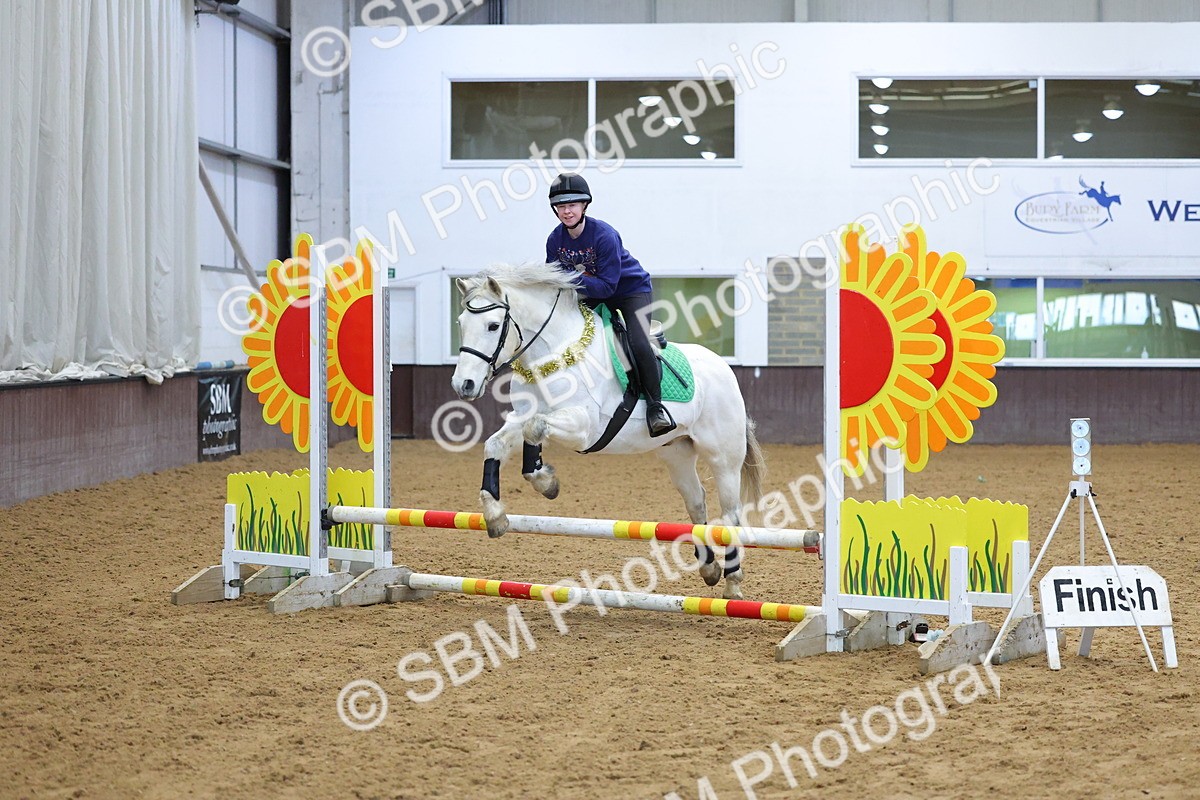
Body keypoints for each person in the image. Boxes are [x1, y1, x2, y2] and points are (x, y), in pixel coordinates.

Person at [545, 173, 675, 436]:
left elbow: (607, 286)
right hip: (591, 293)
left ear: (584, 206)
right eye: (561, 206)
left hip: (629, 291)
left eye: (572, 205)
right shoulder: (554, 240)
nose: (566, 211)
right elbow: (555, 284)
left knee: (638, 343)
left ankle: (655, 407)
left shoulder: (604, 235)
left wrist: (568, 277)